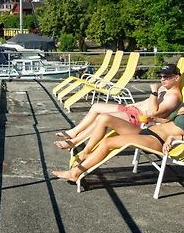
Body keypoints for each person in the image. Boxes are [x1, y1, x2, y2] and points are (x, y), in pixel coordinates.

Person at [53, 64, 182, 150]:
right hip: (132, 109)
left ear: (176, 78)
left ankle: (74, 142)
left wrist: (154, 92)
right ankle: (73, 132)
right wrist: (134, 104)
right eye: (161, 76)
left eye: (166, 77)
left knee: (103, 118)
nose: (162, 79)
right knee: (96, 106)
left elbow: (154, 113)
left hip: (137, 118)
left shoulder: (173, 97)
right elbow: (147, 102)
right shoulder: (165, 89)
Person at [52, 105, 184, 182]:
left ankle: (74, 174)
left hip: (156, 141)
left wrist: (173, 138)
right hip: (146, 130)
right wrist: (154, 118)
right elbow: (168, 122)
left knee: (108, 142)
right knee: (104, 118)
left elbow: (179, 134)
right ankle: (86, 153)